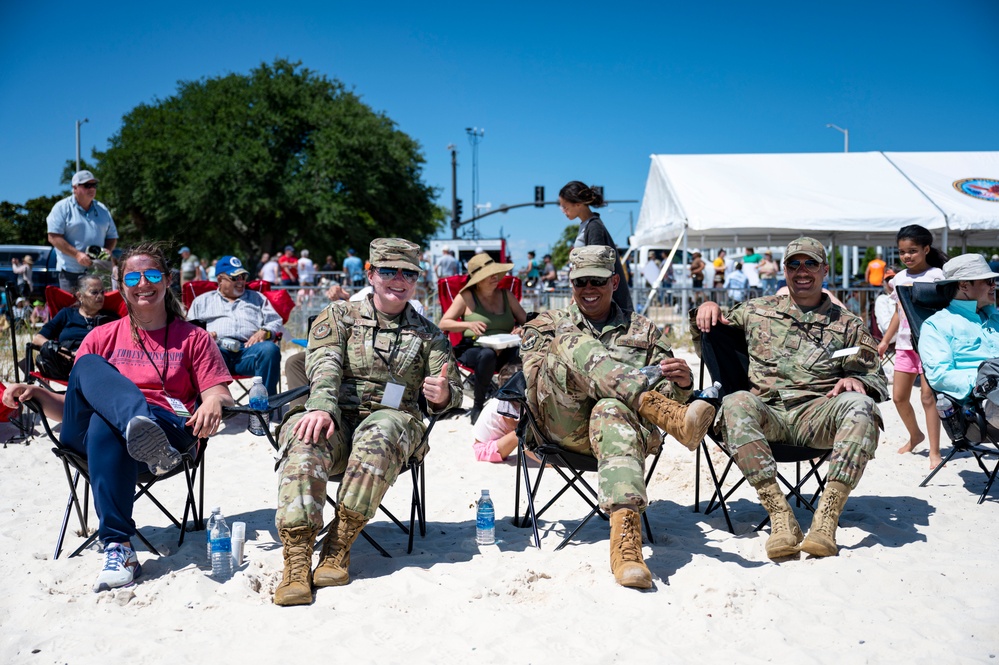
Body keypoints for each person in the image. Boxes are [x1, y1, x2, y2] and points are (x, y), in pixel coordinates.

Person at [2, 242, 233, 592]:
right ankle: (134, 424)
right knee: (91, 370)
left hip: (166, 440)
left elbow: (219, 393)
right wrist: (36, 393)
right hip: (101, 441)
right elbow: (68, 408)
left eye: (153, 274)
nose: (144, 282)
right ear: (121, 284)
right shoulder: (101, 336)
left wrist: (214, 402)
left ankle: (119, 547)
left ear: (168, 280)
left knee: (103, 424)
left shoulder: (194, 339)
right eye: (133, 276)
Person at [272, 238, 462, 606]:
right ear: (371, 275)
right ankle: (296, 559)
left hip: (390, 433)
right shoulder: (340, 316)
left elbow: (453, 389)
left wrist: (444, 394)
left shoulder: (429, 335)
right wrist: (322, 407)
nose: (399, 279)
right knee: (305, 435)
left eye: (408, 273)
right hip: (337, 420)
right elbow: (324, 364)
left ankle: (339, 544)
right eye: (389, 271)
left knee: (383, 427)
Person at [520, 245, 716, 589]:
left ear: (613, 282)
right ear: (570, 284)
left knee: (610, 409)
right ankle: (667, 415)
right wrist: (614, 379)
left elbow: (672, 390)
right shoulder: (547, 324)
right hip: (562, 426)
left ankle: (626, 550)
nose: (589, 289)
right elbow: (537, 384)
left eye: (597, 280)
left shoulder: (644, 330)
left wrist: (684, 387)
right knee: (569, 343)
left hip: (620, 432)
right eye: (581, 282)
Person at [694, 237, 887, 561]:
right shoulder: (757, 310)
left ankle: (826, 519)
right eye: (794, 264)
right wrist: (706, 307)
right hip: (768, 412)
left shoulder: (847, 323)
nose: (802, 271)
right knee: (735, 402)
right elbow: (712, 326)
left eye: (810, 263)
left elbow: (875, 377)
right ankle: (780, 516)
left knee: (862, 407)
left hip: (820, 413)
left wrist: (857, 379)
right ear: (783, 270)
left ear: (824, 270)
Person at [878, 225, 947, 468]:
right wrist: (886, 339)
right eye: (902, 252)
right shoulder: (899, 279)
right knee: (898, 398)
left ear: (926, 249)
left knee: (928, 397)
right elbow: (900, 311)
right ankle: (915, 435)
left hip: (931, 346)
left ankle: (935, 453)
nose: (907, 256)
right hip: (905, 346)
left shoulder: (938, 276)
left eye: (913, 251)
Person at [439, 253, 528, 424]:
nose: (495, 277)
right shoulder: (466, 297)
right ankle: (478, 404)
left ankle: (512, 404)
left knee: (520, 352)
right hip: (474, 348)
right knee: (487, 354)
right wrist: (467, 325)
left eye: (496, 273)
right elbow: (444, 323)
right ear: (478, 279)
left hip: (506, 347)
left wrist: (521, 329)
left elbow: (527, 321)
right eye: (490, 274)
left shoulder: (506, 295)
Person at [187, 256, 283, 396]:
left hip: (249, 350)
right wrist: (203, 336)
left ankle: (264, 408)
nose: (241, 282)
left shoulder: (257, 298)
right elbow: (188, 329)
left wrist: (265, 332)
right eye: (235, 278)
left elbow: (276, 321)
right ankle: (206, 407)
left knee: (270, 349)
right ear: (220, 279)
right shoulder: (202, 301)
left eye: (243, 277)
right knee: (201, 354)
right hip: (216, 351)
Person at [919, 254, 999, 403]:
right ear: (963, 285)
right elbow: (940, 375)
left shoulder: (996, 317)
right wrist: (988, 383)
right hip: (981, 400)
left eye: (993, 280)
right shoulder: (936, 325)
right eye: (988, 281)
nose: (994, 285)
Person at [559, 181, 633, 314]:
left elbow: (596, 266)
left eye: (565, 206)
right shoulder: (589, 225)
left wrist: (578, 293)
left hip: (601, 300)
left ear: (578, 203)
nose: (563, 211)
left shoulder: (593, 227)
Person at [46, 170, 119, 291]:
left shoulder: (102, 209)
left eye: (94, 185)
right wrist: (77, 254)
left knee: (101, 307)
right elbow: (53, 237)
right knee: (74, 308)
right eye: (86, 185)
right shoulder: (61, 208)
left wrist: (107, 251)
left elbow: (112, 236)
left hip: (98, 271)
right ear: (74, 188)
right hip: (71, 272)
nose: (92, 189)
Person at [472, 397, 521, 463]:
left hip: (487, 446)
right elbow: (515, 428)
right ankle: (539, 460)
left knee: (520, 433)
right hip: (484, 450)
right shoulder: (505, 404)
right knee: (519, 435)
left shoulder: (503, 398)